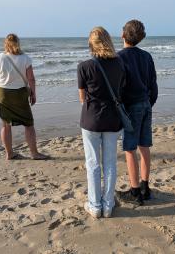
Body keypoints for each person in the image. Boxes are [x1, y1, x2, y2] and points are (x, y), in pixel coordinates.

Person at [78, 27, 125, 218]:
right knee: (110, 163)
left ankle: (95, 205)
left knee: (93, 163)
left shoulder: (84, 66)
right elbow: (121, 89)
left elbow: (82, 97)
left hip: (91, 119)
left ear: (91, 44)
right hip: (113, 118)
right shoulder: (120, 64)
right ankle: (108, 204)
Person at [116, 19, 158, 206]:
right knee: (144, 146)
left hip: (132, 106)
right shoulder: (146, 56)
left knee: (130, 149)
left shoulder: (120, 58)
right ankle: (145, 186)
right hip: (146, 103)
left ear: (123, 35)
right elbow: (153, 84)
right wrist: (150, 102)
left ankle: (135, 190)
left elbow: (119, 87)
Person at [0, 34, 48, 160]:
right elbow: (31, 78)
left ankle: (9, 153)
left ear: (5, 43)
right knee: (28, 124)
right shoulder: (25, 58)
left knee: (5, 125)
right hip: (20, 94)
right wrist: (33, 93)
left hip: (2, 93)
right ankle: (34, 153)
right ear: (18, 43)